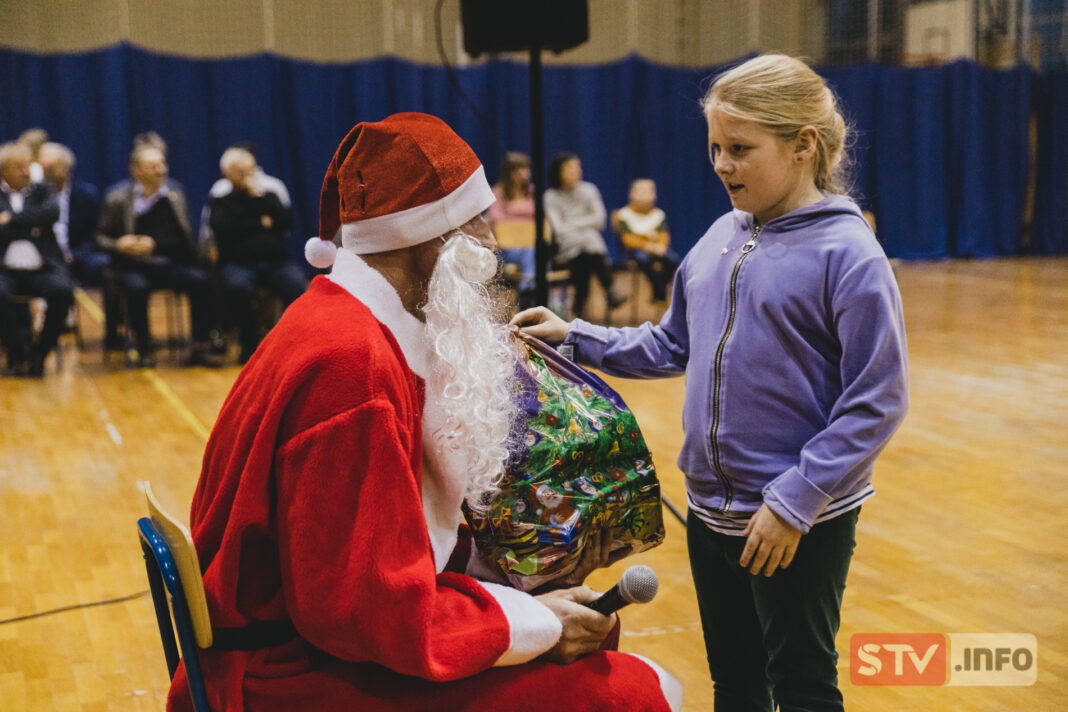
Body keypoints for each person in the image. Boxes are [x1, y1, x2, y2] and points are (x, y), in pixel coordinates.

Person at [169, 113, 681, 712]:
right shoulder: (352, 369)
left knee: (594, 643)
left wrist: (521, 575)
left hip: (306, 637)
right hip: (285, 672)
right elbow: (363, 612)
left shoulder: (341, 320)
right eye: (476, 220)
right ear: (425, 236)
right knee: (635, 694)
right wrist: (536, 622)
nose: (491, 242)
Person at [513, 54, 909, 712]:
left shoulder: (849, 254)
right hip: (710, 514)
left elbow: (878, 400)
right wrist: (574, 336)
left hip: (795, 521)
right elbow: (672, 343)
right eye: (715, 148)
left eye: (740, 149)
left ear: (803, 145)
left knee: (802, 684)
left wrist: (794, 503)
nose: (722, 164)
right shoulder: (720, 235)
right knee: (736, 682)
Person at [96, 142, 221, 367]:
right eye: (153, 166)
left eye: (163, 164)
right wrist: (119, 245)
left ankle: (200, 346)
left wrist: (154, 244)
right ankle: (144, 349)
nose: (161, 170)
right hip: (132, 266)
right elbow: (99, 238)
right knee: (136, 288)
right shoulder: (117, 198)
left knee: (200, 281)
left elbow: (186, 238)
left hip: (168, 263)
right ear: (136, 169)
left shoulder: (175, 194)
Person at [207, 146, 306, 363]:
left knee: (296, 284)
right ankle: (249, 347)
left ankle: (295, 345)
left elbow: (287, 221)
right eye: (241, 172)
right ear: (228, 175)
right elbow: (224, 232)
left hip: (277, 262)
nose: (249, 176)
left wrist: (258, 200)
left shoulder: (269, 196)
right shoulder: (220, 201)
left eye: (251, 170)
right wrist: (260, 223)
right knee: (237, 287)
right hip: (239, 263)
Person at [0, 141, 74, 377]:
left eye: (28, 166)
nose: (26, 172)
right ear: (4, 170)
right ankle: (15, 353)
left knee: (63, 290)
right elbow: (39, 218)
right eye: (19, 167)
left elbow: (51, 213)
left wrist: (9, 220)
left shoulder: (43, 189)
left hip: (42, 268)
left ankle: (40, 352)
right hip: (5, 271)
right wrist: (32, 225)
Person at [37, 142, 118, 345]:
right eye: (42, 168)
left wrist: (74, 255)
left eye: (50, 168)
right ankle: (29, 338)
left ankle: (114, 332)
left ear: (66, 169)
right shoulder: (34, 197)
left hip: (77, 257)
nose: (45, 173)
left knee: (109, 269)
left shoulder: (86, 195)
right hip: (45, 259)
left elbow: (96, 235)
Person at [544, 152, 625, 320]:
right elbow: (558, 229)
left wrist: (571, 222)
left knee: (585, 257)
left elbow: (600, 220)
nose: (577, 171)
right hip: (564, 247)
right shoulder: (550, 196)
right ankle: (609, 288)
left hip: (583, 250)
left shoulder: (589, 190)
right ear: (559, 171)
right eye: (570, 168)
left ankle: (579, 307)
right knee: (590, 238)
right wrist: (585, 224)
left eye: (578, 167)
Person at [611, 178, 678, 304]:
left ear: (654, 195)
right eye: (640, 191)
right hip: (635, 251)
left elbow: (663, 235)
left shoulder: (658, 214)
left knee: (672, 259)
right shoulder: (624, 214)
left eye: (648, 191)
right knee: (643, 259)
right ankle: (661, 294)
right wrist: (646, 245)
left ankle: (659, 292)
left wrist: (661, 246)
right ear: (631, 194)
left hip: (656, 249)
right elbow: (628, 239)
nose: (644, 195)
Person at [487, 151, 536, 306]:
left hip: (530, 244)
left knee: (533, 251)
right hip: (506, 248)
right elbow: (497, 220)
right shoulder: (498, 193)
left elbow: (543, 218)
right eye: (521, 169)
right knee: (530, 252)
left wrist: (513, 214)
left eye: (527, 169)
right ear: (510, 172)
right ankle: (529, 290)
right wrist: (523, 220)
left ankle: (529, 289)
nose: (526, 173)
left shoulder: (532, 192)